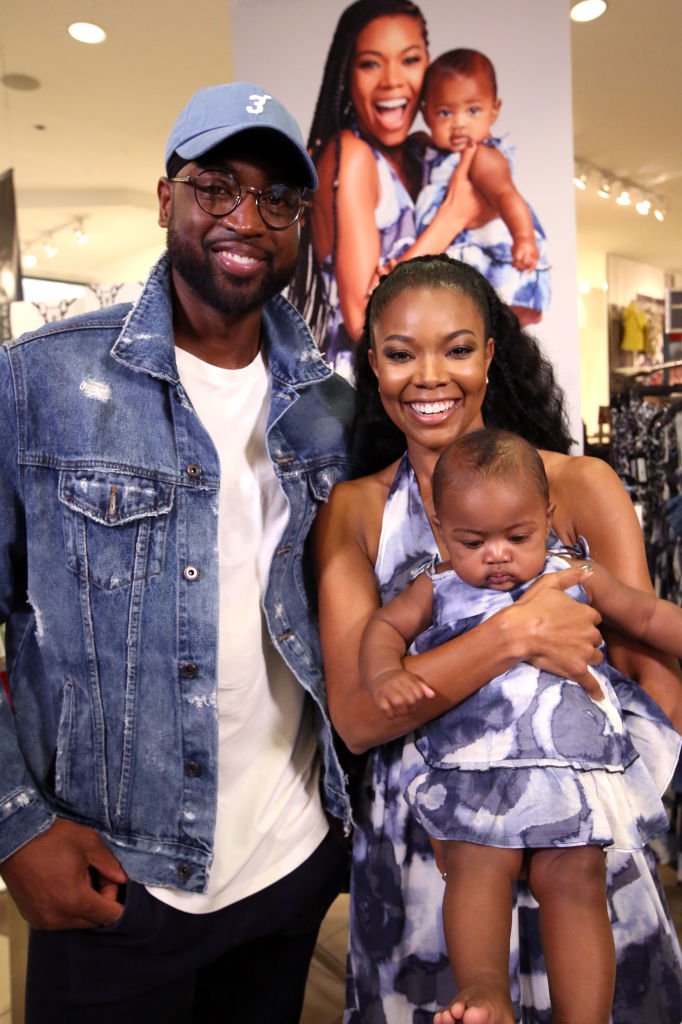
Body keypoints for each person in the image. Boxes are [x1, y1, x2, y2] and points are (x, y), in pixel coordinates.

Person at [0, 81, 357, 1024]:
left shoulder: (331, 410)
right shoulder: (41, 380)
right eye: (216, 185)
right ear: (167, 198)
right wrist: (15, 827)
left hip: (287, 868)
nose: (247, 217)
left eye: (277, 197)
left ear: (300, 224)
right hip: (117, 885)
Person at [313, 254, 682, 1023]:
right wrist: (516, 632)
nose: (428, 376)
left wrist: (619, 796)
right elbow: (356, 714)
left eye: (455, 347)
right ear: (373, 363)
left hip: (578, 840)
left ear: (488, 354)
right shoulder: (356, 510)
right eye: (401, 352)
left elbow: (652, 662)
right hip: (430, 851)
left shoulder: (580, 486)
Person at [361, 427, 682, 1024]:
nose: (497, 554)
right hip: (478, 760)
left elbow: (644, 613)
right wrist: (383, 676)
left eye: (517, 536)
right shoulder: (436, 585)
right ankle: (484, 991)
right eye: (473, 540)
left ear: (547, 516)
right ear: (440, 524)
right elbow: (383, 628)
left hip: (572, 765)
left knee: (577, 876)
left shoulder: (574, 571)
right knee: (475, 866)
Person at [291, 0, 484, 380]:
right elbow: (361, 321)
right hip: (359, 397)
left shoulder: (419, 154)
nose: (392, 80)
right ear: (348, 73)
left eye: (409, 60)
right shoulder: (352, 157)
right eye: (370, 63)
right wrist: (453, 218)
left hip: (414, 387)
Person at [414, 49, 550, 326]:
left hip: (497, 263)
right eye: (444, 112)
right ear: (426, 114)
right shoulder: (437, 153)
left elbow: (506, 195)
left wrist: (523, 238)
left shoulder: (482, 157)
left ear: (494, 110)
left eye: (472, 110)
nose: (459, 123)